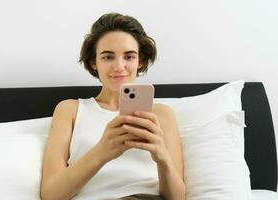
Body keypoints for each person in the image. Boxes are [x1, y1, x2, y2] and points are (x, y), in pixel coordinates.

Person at [40, 13, 185, 200]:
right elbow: (51, 195)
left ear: (140, 62)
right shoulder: (70, 110)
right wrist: (102, 151)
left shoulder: (162, 114)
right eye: (108, 57)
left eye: (129, 56)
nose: (119, 66)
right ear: (94, 63)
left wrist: (162, 157)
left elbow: (178, 198)